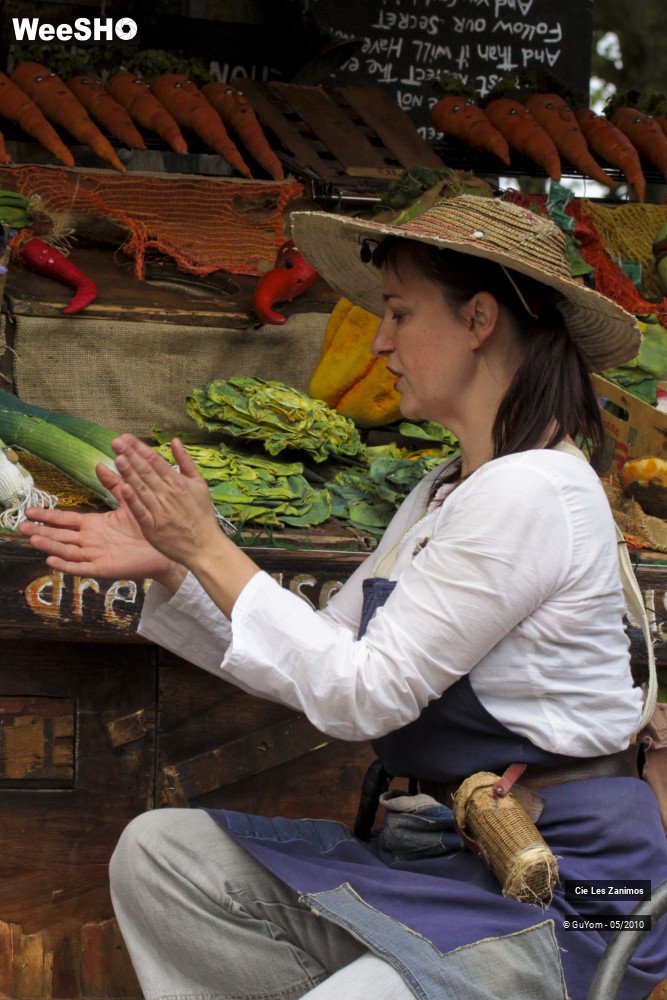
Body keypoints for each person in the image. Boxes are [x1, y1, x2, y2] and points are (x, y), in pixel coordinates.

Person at [19, 195, 667, 1000]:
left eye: (398, 313)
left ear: (477, 319)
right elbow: (322, 650)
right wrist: (174, 570)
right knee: (163, 857)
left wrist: (211, 548)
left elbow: (357, 697)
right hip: (447, 859)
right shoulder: (449, 487)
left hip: (564, 889)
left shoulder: (532, 492)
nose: (381, 341)